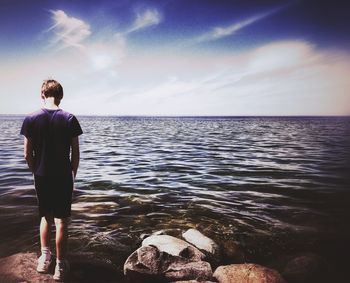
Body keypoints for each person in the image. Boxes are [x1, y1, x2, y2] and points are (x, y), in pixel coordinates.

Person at [20, 79, 83, 281]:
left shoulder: (30, 118)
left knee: (45, 217)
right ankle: (60, 266)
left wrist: (35, 170)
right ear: (61, 95)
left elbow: (26, 154)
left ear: (42, 95)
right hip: (63, 175)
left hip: (41, 175)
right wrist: (73, 174)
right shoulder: (70, 118)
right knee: (62, 221)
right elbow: (76, 153)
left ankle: (44, 258)